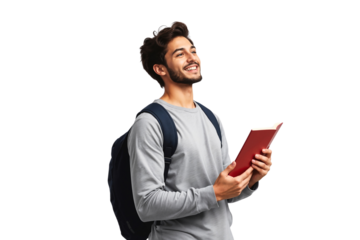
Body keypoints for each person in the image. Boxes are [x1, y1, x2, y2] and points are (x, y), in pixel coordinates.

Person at [131, 19, 273, 240]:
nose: (192, 58)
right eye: (180, 54)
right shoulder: (150, 122)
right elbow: (146, 205)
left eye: (194, 51)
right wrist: (214, 192)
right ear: (160, 69)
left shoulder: (212, 117)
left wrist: (250, 180)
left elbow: (226, 195)